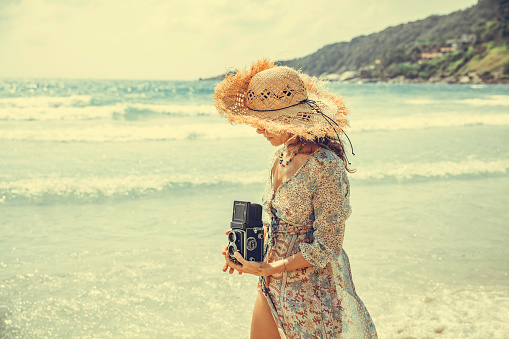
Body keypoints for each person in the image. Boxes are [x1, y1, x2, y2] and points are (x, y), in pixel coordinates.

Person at [215, 59, 377, 339]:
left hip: (313, 287)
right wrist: (244, 246)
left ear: (290, 119)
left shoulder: (325, 164)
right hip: (271, 280)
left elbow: (328, 244)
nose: (258, 130)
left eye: (265, 123)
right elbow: (282, 222)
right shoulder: (279, 156)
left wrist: (269, 267)